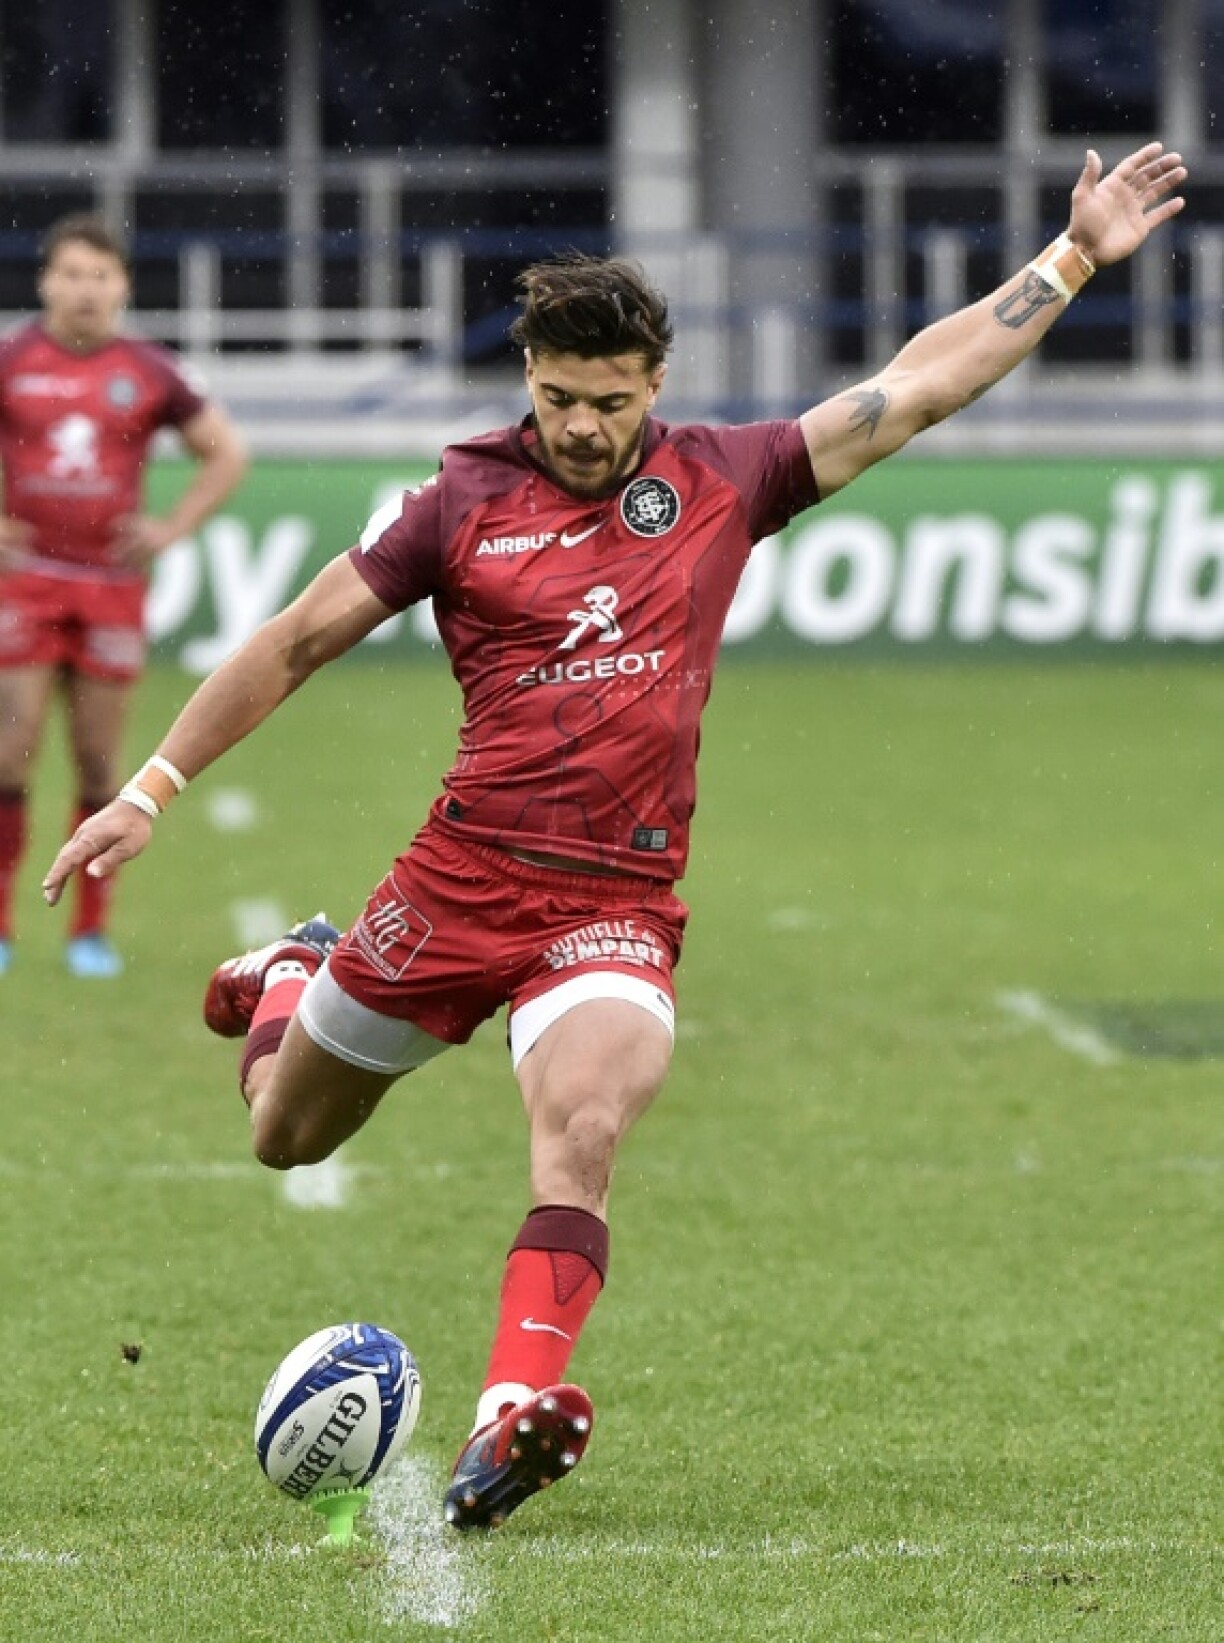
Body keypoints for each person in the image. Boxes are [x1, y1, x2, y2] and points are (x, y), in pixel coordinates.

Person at [43, 143, 1185, 1527]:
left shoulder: (726, 478)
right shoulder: (459, 504)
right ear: (527, 376)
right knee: (286, 1136)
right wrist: (147, 789)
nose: (583, 426)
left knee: (582, 1127)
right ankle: (294, 976)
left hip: (617, 900)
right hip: (458, 880)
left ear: (657, 386)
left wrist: (1068, 259)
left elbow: (916, 389)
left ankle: (504, 1420)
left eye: (609, 401)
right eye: (559, 398)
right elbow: (292, 642)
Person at [0, 213, 247, 977]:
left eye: (99, 276)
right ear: (46, 281)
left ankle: (89, 933)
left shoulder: (148, 369)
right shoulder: (12, 358)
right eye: (70, 274)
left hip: (110, 588)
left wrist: (171, 526)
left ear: (123, 286)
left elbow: (225, 452)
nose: (83, 289)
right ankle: (4, 927)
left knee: (100, 763)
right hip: (27, 583)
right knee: (11, 752)